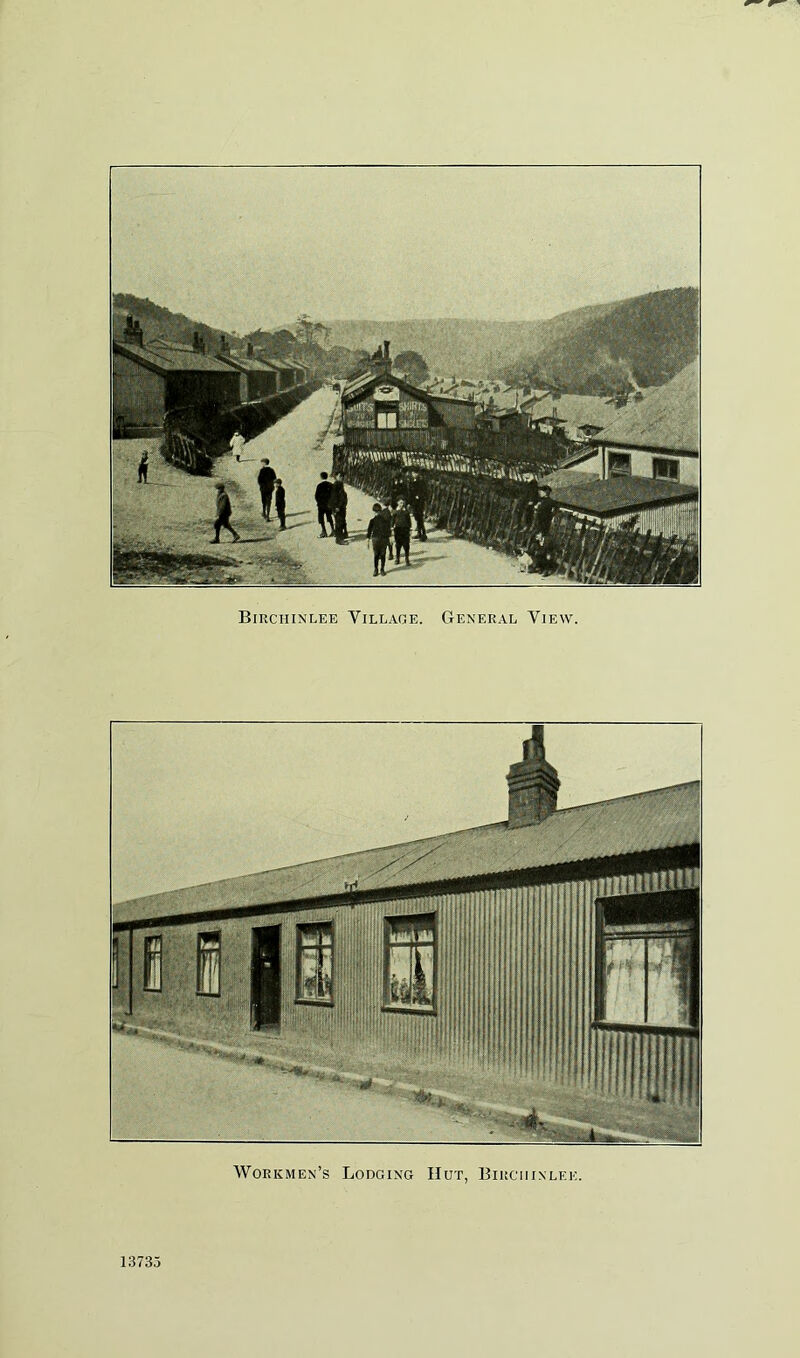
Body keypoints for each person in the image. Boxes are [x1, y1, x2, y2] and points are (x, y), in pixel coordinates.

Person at [532, 485, 556, 572]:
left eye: (541, 491)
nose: (539, 492)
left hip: (545, 528)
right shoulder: (541, 501)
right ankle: (538, 566)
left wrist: (543, 531)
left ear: (546, 492)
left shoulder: (551, 503)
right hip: (539, 527)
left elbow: (549, 517)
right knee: (538, 547)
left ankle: (545, 569)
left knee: (544, 549)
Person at [366, 502, 391, 576]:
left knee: (381, 554)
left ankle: (381, 569)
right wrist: (367, 539)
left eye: (378, 512)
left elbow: (387, 530)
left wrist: (390, 538)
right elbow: (369, 531)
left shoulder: (384, 520)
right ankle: (377, 569)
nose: (376, 513)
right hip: (376, 539)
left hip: (381, 539)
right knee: (377, 555)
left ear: (380, 511)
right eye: (375, 512)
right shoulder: (372, 521)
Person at [329, 473, 349, 542]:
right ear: (336, 477)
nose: (342, 478)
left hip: (341, 507)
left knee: (341, 521)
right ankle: (339, 539)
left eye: (343, 476)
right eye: (340, 476)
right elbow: (334, 497)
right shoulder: (336, 485)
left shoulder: (340, 484)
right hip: (338, 507)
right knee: (339, 523)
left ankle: (342, 536)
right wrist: (336, 507)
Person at [393, 498, 412, 566]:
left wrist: (410, 529)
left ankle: (407, 559)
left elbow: (409, 522)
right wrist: (392, 528)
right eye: (400, 502)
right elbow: (392, 521)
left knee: (406, 545)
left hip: (405, 530)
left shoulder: (406, 512)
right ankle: (397, 558)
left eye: (403, 503)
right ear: (397, 503)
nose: (402, 504)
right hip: (398, 530)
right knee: (398, 545)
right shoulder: (395, 512)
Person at [315, 472, 334, 537]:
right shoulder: (331, 485)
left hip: (321, 505)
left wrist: (318, 502)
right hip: (329, 505)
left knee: (321, 518)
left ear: (321, 477)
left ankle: (324, 531)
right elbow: (333, 495)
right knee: (329, 517)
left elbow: (316, 496)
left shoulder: (319, 486)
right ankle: (333, 530)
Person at [409, 473, 427, 540]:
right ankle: (419, 533)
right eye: (413, 473)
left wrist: (419, 496)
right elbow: (411, 492)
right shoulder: (412, 481)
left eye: (415, 473)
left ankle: (423, 533)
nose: (414, 474)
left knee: (420, 518)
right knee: (417, 517)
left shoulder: (421, 482)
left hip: (420, 503)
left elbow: (425, 492)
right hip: (414, 503)